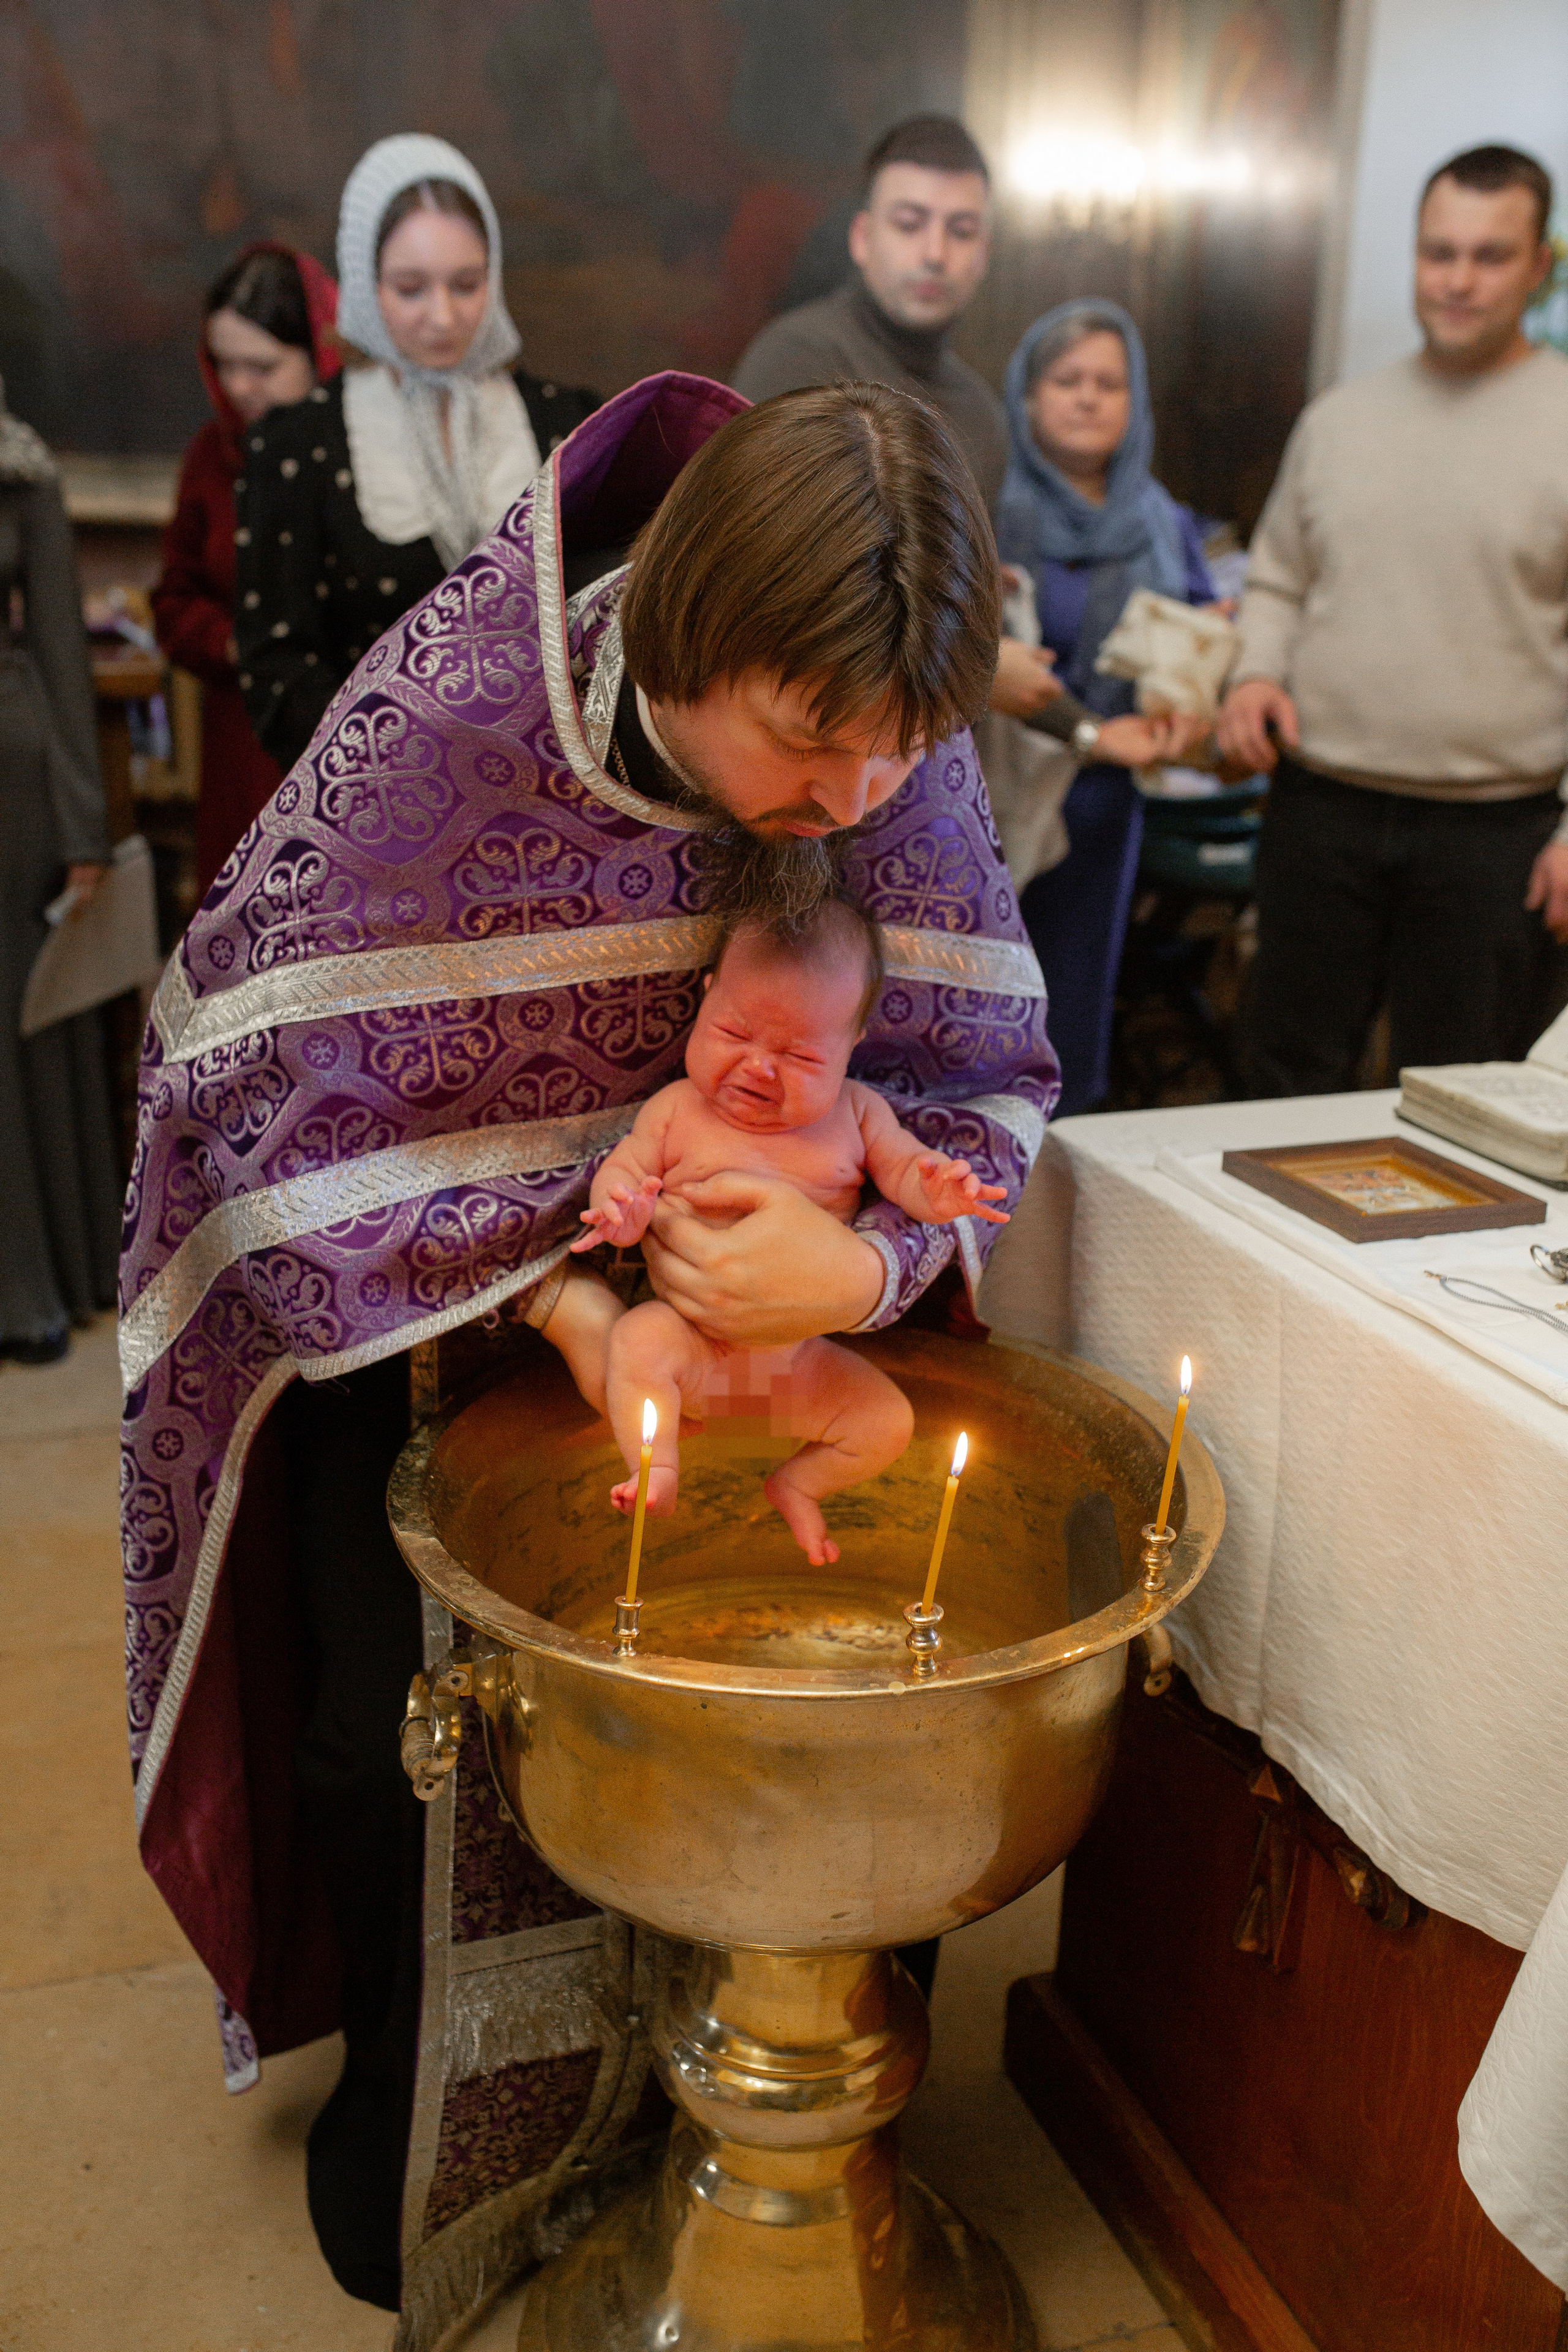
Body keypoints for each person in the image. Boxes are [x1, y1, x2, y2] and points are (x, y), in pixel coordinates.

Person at [121, 374, 1056, 2326]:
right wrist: (574, 1298)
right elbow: (248, 1075)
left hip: (767, 1355)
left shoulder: (884, 725)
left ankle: (755, 2140)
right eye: (810, 750)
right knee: (405, 1768)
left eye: (904, 760)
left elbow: (978, 1071)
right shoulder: (453, 708)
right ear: (696, 625)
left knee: (795, 1735)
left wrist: (854, 1267)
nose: (857, 806)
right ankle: (454, 2146)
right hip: (438, 1350)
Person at [1217, 144, 1568, 1095]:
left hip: (1498, 834)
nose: (1456, 280)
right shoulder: (1340, 420)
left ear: (1543, 265)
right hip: (1318, 807)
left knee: (1467, 1103)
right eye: (1436, 252)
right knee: (1280, 1085)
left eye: (1489, 256)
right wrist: (1255, 673)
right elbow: (1280, 577)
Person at [568, 900, 1009, 1561]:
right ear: (706, 995)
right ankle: (656, 1467)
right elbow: (624, 1175)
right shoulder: (676, 1110)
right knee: (636, 1340)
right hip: (692, 1344)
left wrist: (943, 1190)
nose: (758, 1067)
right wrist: (621, 1213)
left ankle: (798, 1486)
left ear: (851, 1045)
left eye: (800, 1056)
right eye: (734, 1033)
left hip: (797, 1364)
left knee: (887, 1423)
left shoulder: (859, 1114)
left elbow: (906, 1173)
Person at [235, 134, 597, 775]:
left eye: (466, 284)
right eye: (410, 288)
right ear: (365, 281)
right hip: (377, 807)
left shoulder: (565, 425)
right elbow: (278, 667)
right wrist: (402, 773)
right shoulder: (300, 447)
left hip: (550, 795)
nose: (444, 316)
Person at [996, 300, 1214, 1115]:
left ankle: (1070, 1195)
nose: (1088, 398)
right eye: (1067, 380)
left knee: (1075, 1013)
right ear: (1026, 396)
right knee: (988, 1009)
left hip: (1105, 805)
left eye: (1109, 384)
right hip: (997, 796)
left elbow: (1198, 628)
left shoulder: (1159, 518)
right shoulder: (991, 504)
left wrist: (1185, 703)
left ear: (1136, 403)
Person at [151, 244, 340, 896]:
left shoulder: (362, 452)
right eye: (223, 363)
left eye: (261, 366)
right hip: (242, 747)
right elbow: (174, 602)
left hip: (344, 742)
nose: (237, 386)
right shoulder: (212, 455)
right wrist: (236, 642)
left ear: (318, 355)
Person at [0, 379, 119, 1364]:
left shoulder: (19, 461)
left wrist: (84, 826)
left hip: (11, 775)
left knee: (21, 1021)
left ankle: (33, 1286)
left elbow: (56, 646)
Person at [733, 115, 1006, 510]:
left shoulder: (983, 417)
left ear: (984, 254)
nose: (935, 254)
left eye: (961, 232)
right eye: (909, 224)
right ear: (862, 238)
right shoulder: (796, 362)